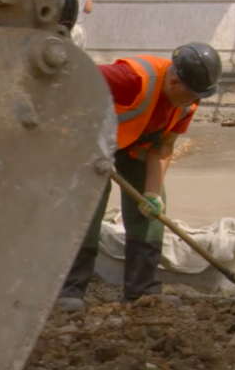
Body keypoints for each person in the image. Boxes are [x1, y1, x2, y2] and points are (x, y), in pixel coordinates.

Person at [57, 42, 221, 310]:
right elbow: (73, 83)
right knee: (90, 205)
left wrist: (152, 194)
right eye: (192, 94)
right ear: (174, 81)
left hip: (136, 145)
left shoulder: (187, 104)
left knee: (151, 213)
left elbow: (164, 147)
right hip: (90, 142)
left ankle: (142, 291)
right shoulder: (132, 79)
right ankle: (70, 290)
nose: (195, 101)